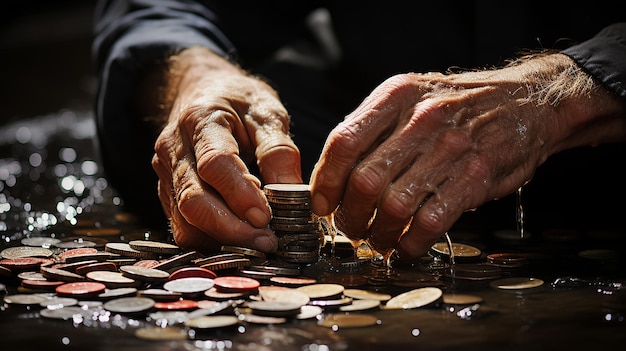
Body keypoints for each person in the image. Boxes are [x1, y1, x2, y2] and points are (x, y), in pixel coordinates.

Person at [93, 1, 626, 262]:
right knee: (213, 171)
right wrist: (194, 74)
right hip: (368, 132)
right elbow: (163, 9)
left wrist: (566, 92)